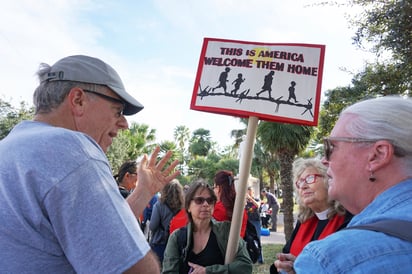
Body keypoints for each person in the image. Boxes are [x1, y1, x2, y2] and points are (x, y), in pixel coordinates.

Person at [0, 55, 180, 273]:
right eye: (118, 111)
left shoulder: (12, 146)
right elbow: (134, 269)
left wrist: (143, 192)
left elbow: (97, 235)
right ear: (78, 100)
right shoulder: (72, 150)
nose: (124, 124)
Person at [293, 96, 412, 273]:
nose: (325, 161)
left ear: (377, 155)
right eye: (300, 181)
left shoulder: (329, 260)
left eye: (331, 148)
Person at [272, 158, 352, 274]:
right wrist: (282, 266)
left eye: (310, 179)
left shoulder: (349, 219)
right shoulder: (304, 221)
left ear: (329, 180)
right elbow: (286, 255)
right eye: (299, 182)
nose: (303, 186)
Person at [162, 180, 252, 273]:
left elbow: (245, 266)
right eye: (199, 200)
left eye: (210, 201)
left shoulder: (226, 231)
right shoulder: (177, 237)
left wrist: (207, 271)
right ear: (188, 206)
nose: (206, 204)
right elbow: (169, 271)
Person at [150, 179, 184, 263]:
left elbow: (152, 226)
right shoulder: (183, 206)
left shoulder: (159, 205)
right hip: (178, 243)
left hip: (160, 243)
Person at [213, 170, 248, 237]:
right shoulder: (241, 210)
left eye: (214, 187)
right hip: (239, 246)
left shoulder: (215, 209)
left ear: (218, 188)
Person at [245, 186, 264, 263]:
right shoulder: (245, 201)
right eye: (248, 192)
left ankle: (260, 259)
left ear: (253, 192)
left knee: (258, 239)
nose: (249, 193)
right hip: (248, 222)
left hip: (256, 221)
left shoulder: (256, 199)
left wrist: (251, 199)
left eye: (250, 192)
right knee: (249, 240)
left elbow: (258, 205)